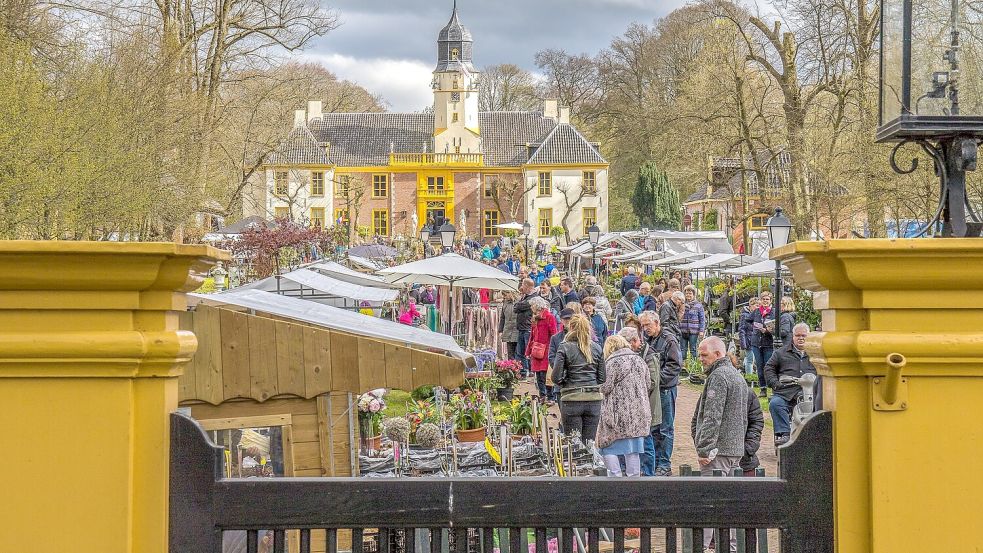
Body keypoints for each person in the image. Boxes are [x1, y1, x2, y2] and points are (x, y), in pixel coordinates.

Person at [691, 336, 749, 553]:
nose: (701, 359)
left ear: (718, 354)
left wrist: (705, 448)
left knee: (710, 501)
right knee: (728, 502)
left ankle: (703, 547)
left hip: (719, 450)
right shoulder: (736, 376)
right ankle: (730, 547)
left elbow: (712, 416)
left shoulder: (719, 377)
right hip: (734, 448)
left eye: (704, 355)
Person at [596, 335, 652, 477]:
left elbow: (605, 387)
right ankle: (634, 480)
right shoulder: (639, 360)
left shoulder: (612, 362)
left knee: (607, 446)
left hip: (618, 414)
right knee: (633, 450)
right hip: (639, 413)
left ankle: (615, 477)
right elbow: (648, 384)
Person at [638, 311, 682, 476]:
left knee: (665, 428)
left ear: (657, 323)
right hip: (654, 390)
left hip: (665, 390)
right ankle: (656, 461)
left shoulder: (669, 340)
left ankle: (664, 464)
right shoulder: (649, 340)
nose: (645, 329)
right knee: (654, 427)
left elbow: (674, 366)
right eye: (643, 326)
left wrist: (657, 381)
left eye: (647, 325)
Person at [551, 315, 605, 441]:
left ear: (571, 327)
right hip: (593, 399)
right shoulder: (597, 348)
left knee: (574, 445)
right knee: (590, 443)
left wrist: (566, 380)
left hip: (572, 398)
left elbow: (555, 377)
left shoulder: (564, 347)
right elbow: (602, 378)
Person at [764, 323, 817, 446]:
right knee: (776, 403)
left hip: (812, 393)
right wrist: (775, 384)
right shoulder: (780, 353)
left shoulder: (816, 354)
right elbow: (769, 368)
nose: (801, 338)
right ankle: (785, 433)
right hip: (786, 392)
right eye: (797, 335)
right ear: (792, 336)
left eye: (804, 335)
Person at [526, 297, 558, 402]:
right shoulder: (535, 318)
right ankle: (542, 395)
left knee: (546, 375)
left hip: (547, 350)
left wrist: (553, 350)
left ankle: (550, 397)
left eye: (532, 306)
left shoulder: (549, 317)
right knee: (538, 375)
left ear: (536, 306)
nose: (531, 308)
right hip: (536, 351)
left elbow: (554, 334)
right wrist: (528, 350)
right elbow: (532, 335)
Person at [751, 291, 776, 398]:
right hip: (756, 342)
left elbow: (776, 327)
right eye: (763, 299)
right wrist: (754, 328)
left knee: (768, 366)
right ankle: (762, 388)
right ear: (760, 300)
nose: (765, 301)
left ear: (771, 301)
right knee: (759, 365)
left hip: (768, 343)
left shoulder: (774, 312)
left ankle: (773, 387)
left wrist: (768, 330)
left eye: (767, 299)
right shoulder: (757, 311)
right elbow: (748, 320)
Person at [513, 278, 538, 377]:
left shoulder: (533, 298)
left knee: (528, 351)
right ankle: (522, 372)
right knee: (520, 352)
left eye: (522, 285)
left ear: (527, 286)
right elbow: (516, 308)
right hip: (521, 327)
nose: (521, 287)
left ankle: (531, 370)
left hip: (528, 328)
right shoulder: (524, 297)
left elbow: (519, 307)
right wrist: (520, 302)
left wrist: (519, 305)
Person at [680, 285, 707, 362]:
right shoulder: (681, 304)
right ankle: (683, 366)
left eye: (690, 293)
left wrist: (701, 330)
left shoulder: (698, 305)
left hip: (694, 331)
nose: (688, 295)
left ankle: (693, 365)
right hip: (683, 330)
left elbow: (702, 319)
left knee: (693, 349)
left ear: (693, 295)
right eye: (687, 293)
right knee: (683, 349)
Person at [739, 297, 760, 376]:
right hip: (749, 340)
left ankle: (756, 376)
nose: (757, 307)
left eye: (759, 306)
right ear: (750, 305)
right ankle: (749, 377)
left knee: (756, 360)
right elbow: (742, 330)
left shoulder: (759, 315)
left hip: (757, 341)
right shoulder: (745, 315)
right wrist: (743, 343)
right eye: (756, 305)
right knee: (750, 360)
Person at [499, 291, 520, 362]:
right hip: (508, 331)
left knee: (518, 353)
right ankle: (512, 370)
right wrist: (500, 330)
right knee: (510, 353)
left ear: (510, 293)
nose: (504, 297)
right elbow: (502, 317)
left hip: (517, 331)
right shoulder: (505, 303)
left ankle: (519, 370)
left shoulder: (519, 302)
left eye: (505, 295)